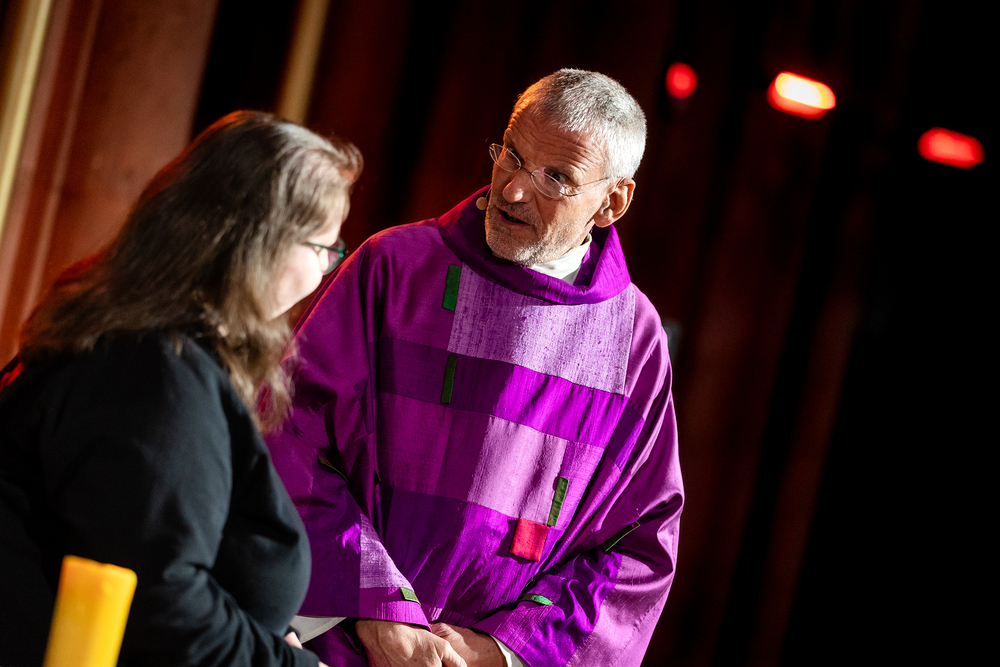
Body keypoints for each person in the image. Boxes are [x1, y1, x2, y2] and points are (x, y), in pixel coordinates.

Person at [267, 69, 683, 667]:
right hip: (339, 643)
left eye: (555, 178)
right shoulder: (394, 268)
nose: (512, 190)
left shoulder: (632, 341)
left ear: (612, 202)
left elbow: (637, 544)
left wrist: (504, 651)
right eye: (511, 155)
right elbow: (285, 432)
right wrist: (376, 607)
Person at [0, 111, 362, 667]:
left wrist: (267, 635)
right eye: (324, 248)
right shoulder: (151, 371)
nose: (325, 270)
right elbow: (157, 599)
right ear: (259, 246)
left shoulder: (151, 349)